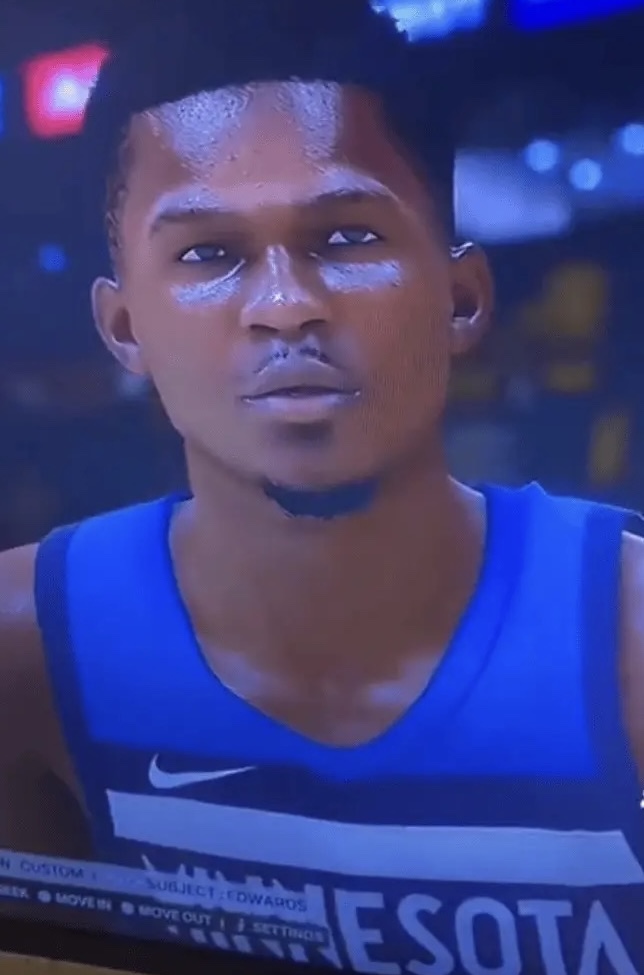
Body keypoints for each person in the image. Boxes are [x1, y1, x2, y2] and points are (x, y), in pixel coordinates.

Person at [0, 1, 642, 970]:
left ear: (462, 297)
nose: (284, 306)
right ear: (124, 328)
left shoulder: (628, 639)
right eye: (209, 253)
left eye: (344, 237)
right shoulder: (25, 652)